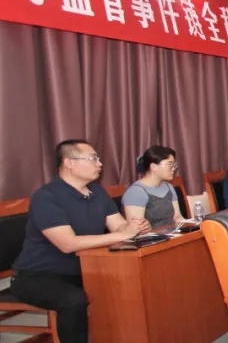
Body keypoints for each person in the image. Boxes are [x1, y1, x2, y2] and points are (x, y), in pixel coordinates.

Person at [10, 140, 147, 343]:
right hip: (38, 276)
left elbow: (119, 227)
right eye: (93, 159)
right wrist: (122, 235)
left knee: (127, 286)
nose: (99, 164)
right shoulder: (46, 196)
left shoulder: (98, 192)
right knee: (73, 300)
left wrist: (136, 227)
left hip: (85, 269)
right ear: (69, 163)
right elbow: (68, 244)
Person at [122, 146, 184, 228]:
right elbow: (137, 229)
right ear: (153, 166)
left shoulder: (169, 187)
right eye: (169, 164)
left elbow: (177, 217)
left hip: (172, 233)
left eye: (174, 165)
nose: (173, 169)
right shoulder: (135, 192)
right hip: (150, 236)